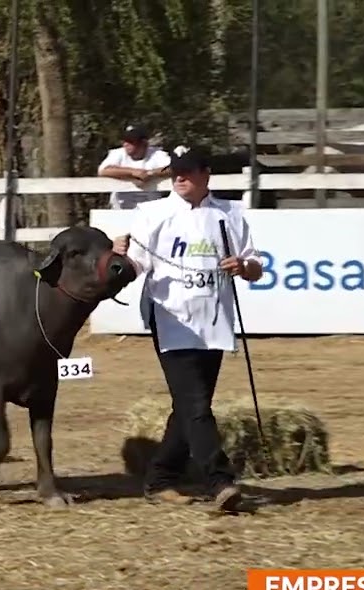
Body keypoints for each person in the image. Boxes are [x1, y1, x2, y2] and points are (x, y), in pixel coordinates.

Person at [112, 145, 263, 513]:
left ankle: (160, 478)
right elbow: (136, 265)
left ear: (205, 174)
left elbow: (256, 265)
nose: (179, 177)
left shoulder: (230, 214)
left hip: (214, 318)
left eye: (187, 171)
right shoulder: (152, 213)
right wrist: (117, 256)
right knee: (195, 404)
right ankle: (220, 480)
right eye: (175, 171)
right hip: (171, 318)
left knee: (190, 406)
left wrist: (243, 267)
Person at [97, 125, 171, 209]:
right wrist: (133, 173)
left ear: (144, 143)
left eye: (131, 141)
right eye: (125, 141)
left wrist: (151, 174)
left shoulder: (157, 154)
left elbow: (173, 168)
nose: (126, 144)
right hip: (121, 210)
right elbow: (103, 170)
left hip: (151, 209)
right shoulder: (117, 153)